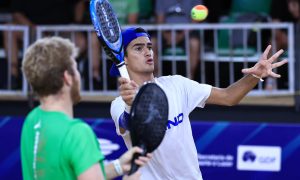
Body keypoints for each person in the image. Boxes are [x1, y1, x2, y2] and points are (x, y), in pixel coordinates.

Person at [110, 27, 287, 179]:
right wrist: (130, 105)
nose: (148, 52)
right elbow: (127, 124)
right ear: (123, 59)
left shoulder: (177, 84)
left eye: (149, 47)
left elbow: (228, 97)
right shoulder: (119, 104)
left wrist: (255, 76)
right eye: (138, 48)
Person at [21, 36, 152, 180]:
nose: (79, 75)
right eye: (76, 68)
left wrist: (118, 166)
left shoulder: (32, 119)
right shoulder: (77, 133)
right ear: (67, 78)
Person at [155, 0, 204, 80]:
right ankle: (155, 80)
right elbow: (160, 20)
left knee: (194, 43)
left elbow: (195, 20)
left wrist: (181, 34)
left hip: (188, 31)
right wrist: (166, 34)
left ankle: (190, 80)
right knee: (152, 42)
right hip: (166, 32)